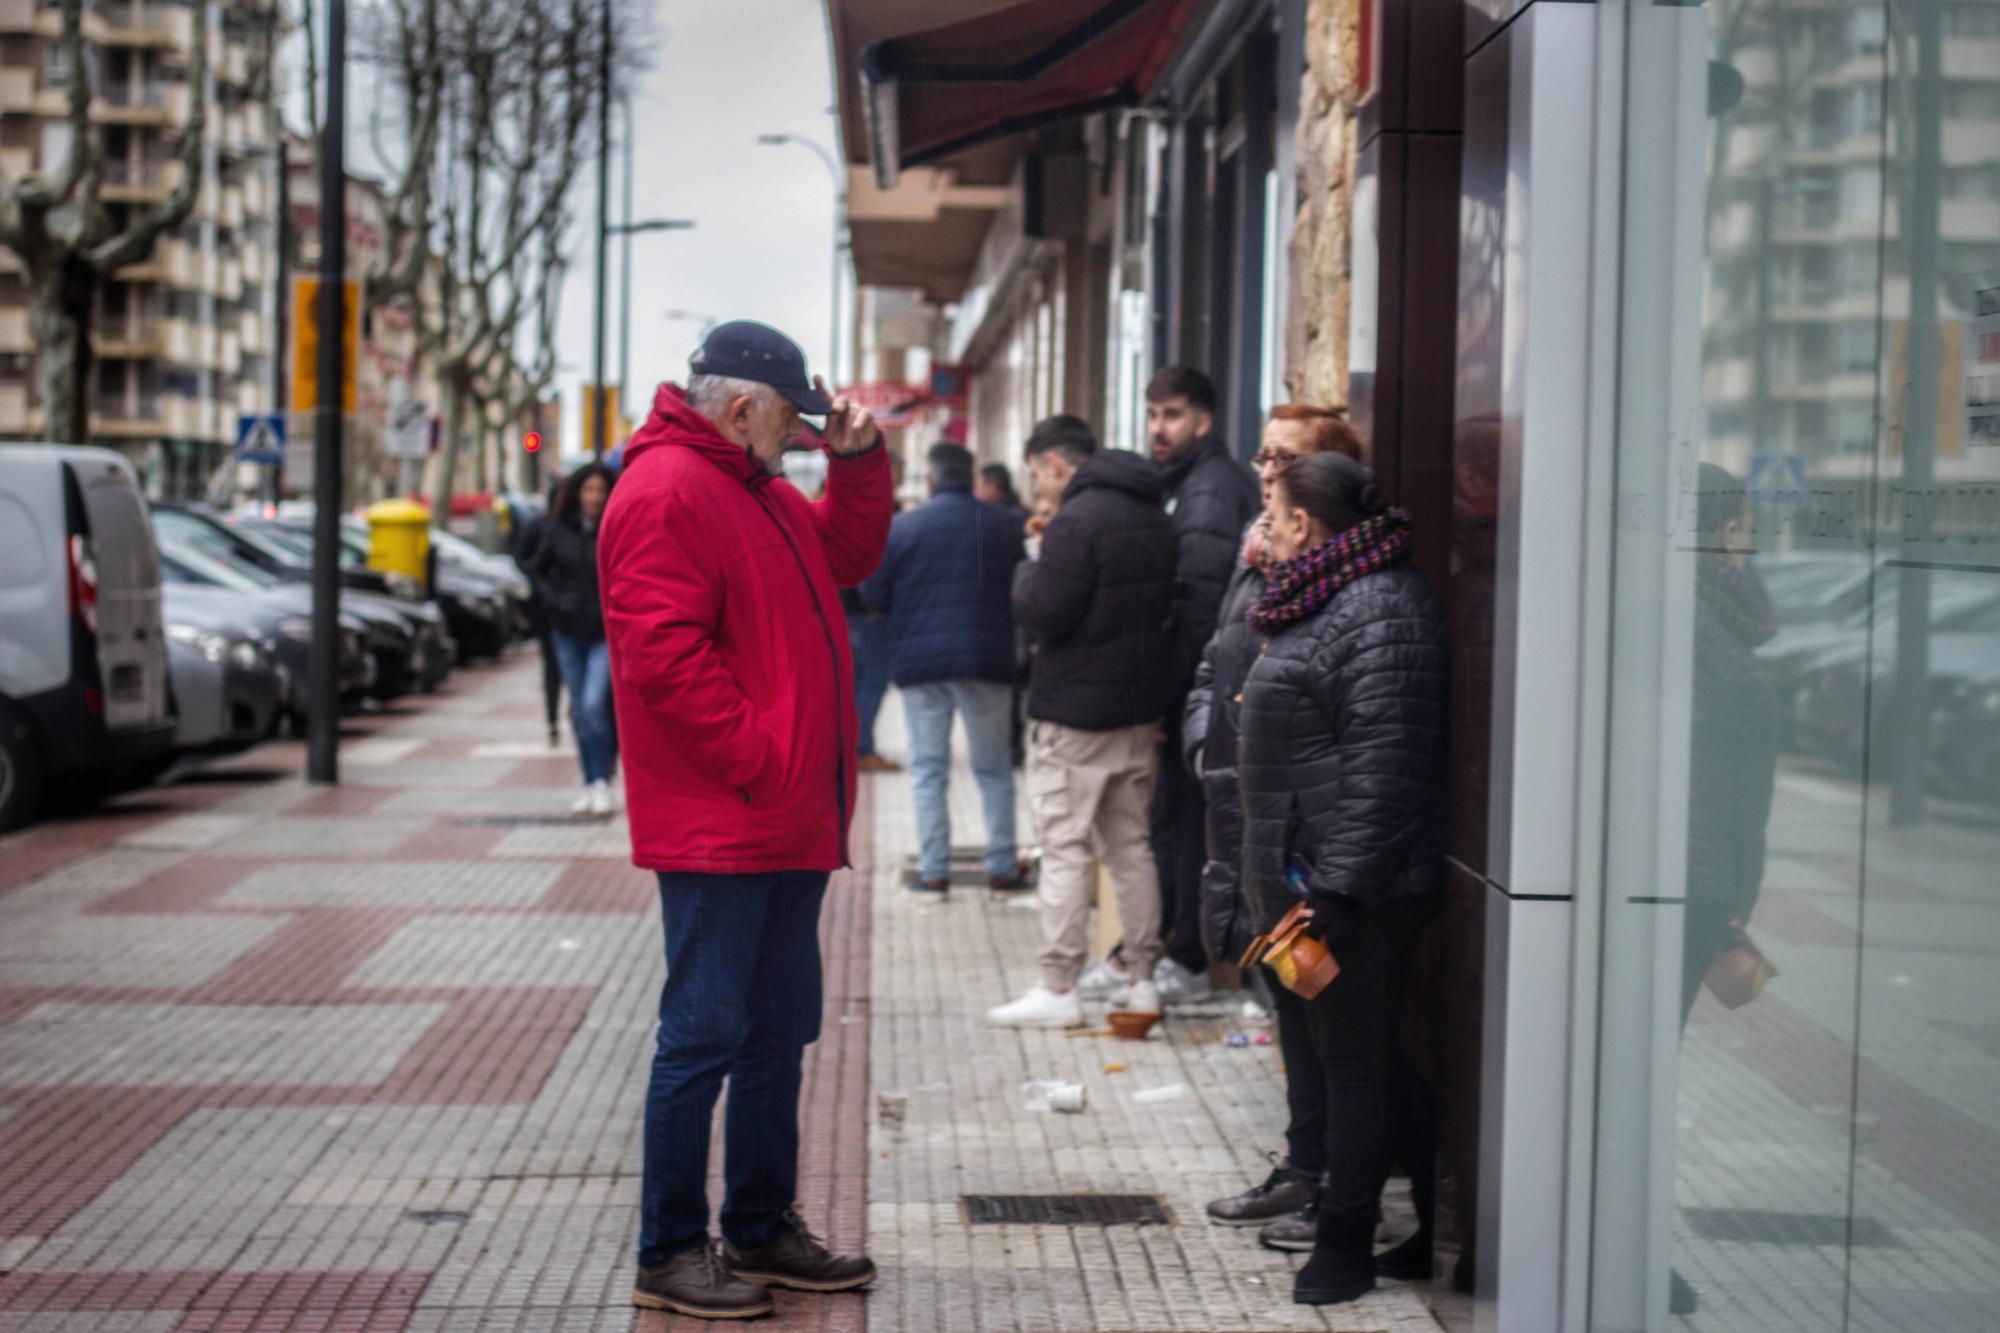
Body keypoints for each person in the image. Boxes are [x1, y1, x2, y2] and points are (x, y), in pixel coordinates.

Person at [599, 320, 890, 1321]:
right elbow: (661, 658)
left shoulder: (751, 490)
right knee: (703, 1034)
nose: (795, 440)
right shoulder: (669, 491)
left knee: (776, 1031)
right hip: (728, 820)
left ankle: (761, 1226)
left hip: (779, 817)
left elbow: (846, 554)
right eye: (790, 425)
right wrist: (763, 758)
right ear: (739, 409)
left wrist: (854, 466)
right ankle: (669, 1248)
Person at [1237, 451, 1448, 1307]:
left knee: (1356, 1062)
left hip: (1360, 889)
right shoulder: (1325, 594)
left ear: (1304, 525)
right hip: (1307, 880)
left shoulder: (1382, 606)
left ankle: (1349, 1241)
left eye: (1273, 513)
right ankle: (1430, 1226)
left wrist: (1337, 894)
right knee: (1364, 1059)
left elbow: (1385, 767)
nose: (1264, 529)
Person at [1186, 404, 1363, 1252]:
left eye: (1284, 458)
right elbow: (1213, 662)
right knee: (1288, 997)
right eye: (1262, 453)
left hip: (1297, 829)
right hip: (1245, 808)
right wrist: (1201, 738)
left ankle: (1332, 1180)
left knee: (1322, 1006)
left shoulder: (1340, 577)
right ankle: (1305, 1165)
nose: (1265, 470)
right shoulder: (1258, 554)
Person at [988, 415, 1180, 1029]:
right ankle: (1143, 979)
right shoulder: (1153, 512)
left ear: (1051, 465)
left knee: (1065, 847)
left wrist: (1029, 560)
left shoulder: (1076, 518)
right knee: (1131, 846)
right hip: (1133, 711)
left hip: (1073, 714)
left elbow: (1043, 611)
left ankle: (1059, 986)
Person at [1081, 366, 1258, 1008]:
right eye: (1153, 415)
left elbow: (1196, 608)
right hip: (1198, 692)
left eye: (1173, 416)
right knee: (1171, 822)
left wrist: (1168, 701)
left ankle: (1178, 956)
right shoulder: (1189, 484)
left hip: (1201, 694)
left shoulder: (1208, 491)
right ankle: (1156, 951)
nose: (1159, 429)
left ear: (1203, 421)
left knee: (1180, 825)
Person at [858, 443, 1029, 897]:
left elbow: (872, 596)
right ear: (971, 478)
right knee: (993, 769)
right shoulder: (1005, 527)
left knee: (928, 769)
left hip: (921, 665)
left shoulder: (903, 528)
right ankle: (1002, 866)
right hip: (987, 660)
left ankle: (933, 871)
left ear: (931, 480)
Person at [526, 462, 617, 815]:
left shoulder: (612, 528)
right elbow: (534, 567)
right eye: (589, 490)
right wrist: (553, 601)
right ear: (578, 493)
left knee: (595, 704)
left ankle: (603, 782)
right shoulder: (557, 530)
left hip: (603, 632)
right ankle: (589, 780)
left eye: (601, 490)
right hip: (566, 631)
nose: (595, 497)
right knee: (579, 710)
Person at [845, 452, 904, 774]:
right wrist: (874, 606)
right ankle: (861, 749)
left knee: (858, 684)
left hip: (851, 611)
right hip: (864, 615)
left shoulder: (856, 500)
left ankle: (854, 746)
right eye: (899, 471)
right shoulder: (873, 507)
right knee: (870, 683)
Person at [510, 476, 566, 747]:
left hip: (577, 611)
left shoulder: (573, 527)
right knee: (553, 665)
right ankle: (553, 719)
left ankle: (572, 711)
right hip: (546, 609)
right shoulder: (540, 526)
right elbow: (523, 559)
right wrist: (537, 579)